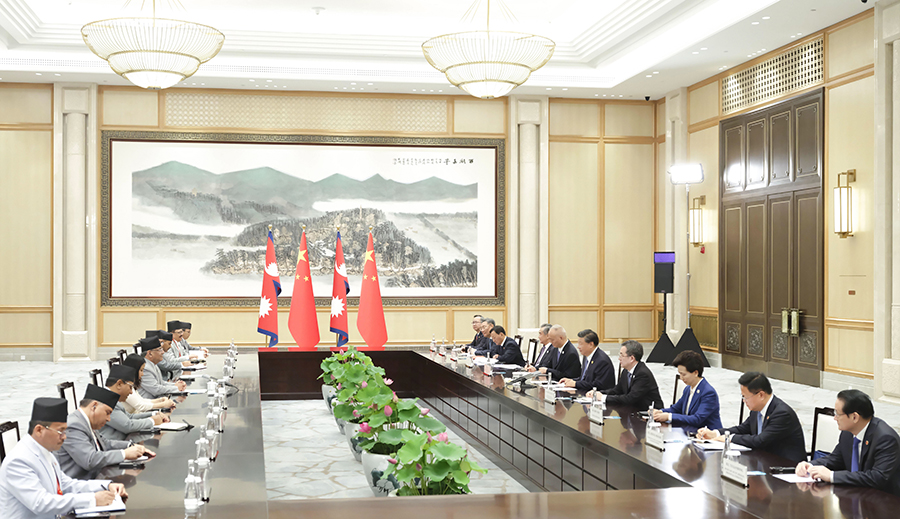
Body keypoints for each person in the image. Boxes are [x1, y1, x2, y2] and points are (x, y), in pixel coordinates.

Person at [0, 397, 129, 519]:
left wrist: (106, 485)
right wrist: (92, 499)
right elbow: (40, 503)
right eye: (60, 431)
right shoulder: (18, 461)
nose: (64, 437)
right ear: (39, 430)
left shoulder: (46, 451)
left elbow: (67, 484)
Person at [795, 389, 900, 496]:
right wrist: (810, 465)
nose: (835, 418)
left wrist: (831, 476)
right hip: (854, 495)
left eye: (838, 414)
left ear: (855, 417)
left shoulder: (886, 439)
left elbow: (876, 478)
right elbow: (835, 459)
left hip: (883, 500)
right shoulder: (848, 433)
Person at [696, 372, 806, 463]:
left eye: (745, 397)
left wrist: (730, 438)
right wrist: (715, 433)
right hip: (763, 461)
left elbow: (760, 440)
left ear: (761, 395)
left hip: (786, 467)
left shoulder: (782, 413)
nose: (744, 401)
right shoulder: (756, 410)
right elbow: (742, 429)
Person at [55, 385, 154, 479]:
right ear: (94, 406)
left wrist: (131, 446)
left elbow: (105, 443)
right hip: (82, 484)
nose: (108, 419)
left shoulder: (85, 421)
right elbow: (90, 460)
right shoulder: (73, 425)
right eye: (107, 413)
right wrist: (124, 454)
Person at [652, 350, 722, 430]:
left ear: (695, 373)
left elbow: (697, 419)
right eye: (680, 374)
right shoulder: (688, 388)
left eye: (684, 374)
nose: (681, 378)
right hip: (689, 430)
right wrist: (660, 412)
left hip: (706, 434)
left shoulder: (708, 393)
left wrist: (668, 416)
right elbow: (676, 409)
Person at [99, 365, 169, 441]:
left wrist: (154, 414)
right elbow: (128, 426)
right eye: (130, 387)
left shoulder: (112, 398)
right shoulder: (107, 400)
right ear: (119, 384)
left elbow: (130, 417)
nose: (131, 392)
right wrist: (152, 421)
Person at [591, 340, 663, 409]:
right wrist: (598, 393)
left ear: (631, 358)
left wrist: (604, 397)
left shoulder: (643, 374)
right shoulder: (626, 371)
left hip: (649, 412)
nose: (619, 358)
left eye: (622, 355)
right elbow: (617, 390)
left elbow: (630, 398)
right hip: (633, 409)